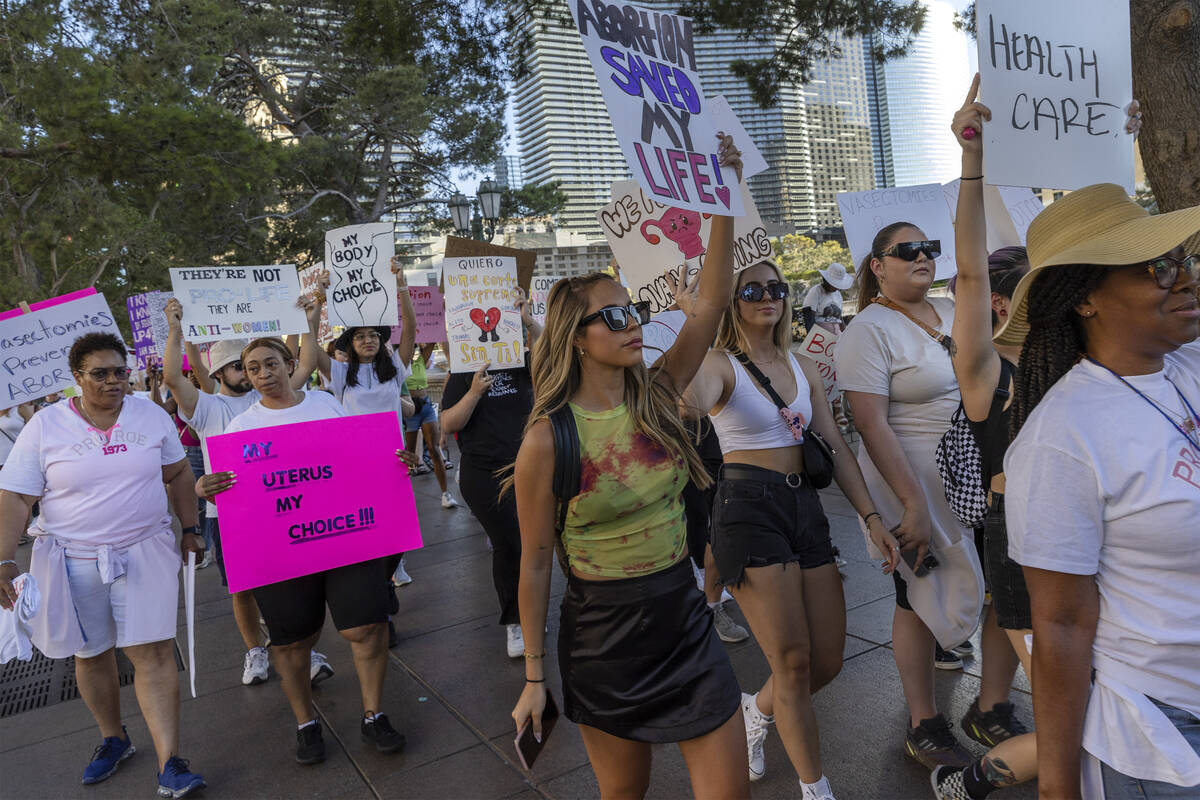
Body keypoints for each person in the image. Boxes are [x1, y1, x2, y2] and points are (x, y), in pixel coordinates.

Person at [511, 134, 750, 800]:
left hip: (682, 615)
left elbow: (710, 301)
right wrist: (534, 677)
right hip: (603, 639)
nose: (632, 322)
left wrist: (722, 194)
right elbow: (534, 562)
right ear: (575, 336)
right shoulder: (545, 440)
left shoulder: (661, 392)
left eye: (635, 309)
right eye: (613, 315)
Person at [997, 183, 1200, 799]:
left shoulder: (1186, 366)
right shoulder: (1062, 437)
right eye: (1158, 267)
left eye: (1185, 260)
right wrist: (1058, 784)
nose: (1185, 277)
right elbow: (1059, 623)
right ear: (1085, 297)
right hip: (1160, 730)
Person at [681, 258, 900, 798]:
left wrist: (872, 517)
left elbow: (835, 447)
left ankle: (755, 711)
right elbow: (684, 399)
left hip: (805, 511)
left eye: (776, 288)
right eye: (751, 289)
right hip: (748, 510)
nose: (766, 297)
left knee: (825, 659)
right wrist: (694, 322)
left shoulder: (802, 366)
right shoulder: (718, 363)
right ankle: (815, 787)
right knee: (794, 663)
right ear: (732, 301)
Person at [0, 333, 206, 797]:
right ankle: (113, 738)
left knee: (152, 652)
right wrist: (4, 558)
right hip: (72, 558)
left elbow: (176, 472)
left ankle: (170, 762)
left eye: (119, 371)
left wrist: (191, 528)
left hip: (145, 549)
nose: (114, 381)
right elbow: (16, 496)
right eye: (100, 373)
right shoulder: (45, 426)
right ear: (77, 378)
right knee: (91, 653)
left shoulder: (149, 414)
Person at [197, 337, 420, 765]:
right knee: (292, 641)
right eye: (252, 368)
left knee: (366, 628)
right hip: (283, 553)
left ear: (290, 364)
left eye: (270, 364)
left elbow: (359, 457)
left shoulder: (325, 404)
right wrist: (200, 487)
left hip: (346, 539)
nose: (263, 374)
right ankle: (306, 723)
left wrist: (397, 462)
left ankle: (375, 714)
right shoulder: (240, 429)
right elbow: (225, 489)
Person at [835, 222, 984, 770]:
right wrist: (912, 504)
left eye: (930, 248)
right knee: (914, 597)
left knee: (981, 585)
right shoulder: (866, 330)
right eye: (908, 251)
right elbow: (870, 425)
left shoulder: (952, 308)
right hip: (911, 483)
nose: (923, 256)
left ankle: (985, 707)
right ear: (878, 266)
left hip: (968, 474)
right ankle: (924, 721)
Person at [162, 296, 330, 688]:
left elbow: (302, 363)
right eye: (243, 366)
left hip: (286, 508)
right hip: (231, 516)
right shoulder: (206, 407)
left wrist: (310, 319)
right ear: (221, 372)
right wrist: (176, 330)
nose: (254, 372)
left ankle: (300, 647)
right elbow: (173, 378)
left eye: (257, 365)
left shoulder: (273, 395)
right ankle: (256, 649)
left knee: (294, 579)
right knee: (244, 587)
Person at [441, 288, 540, 658]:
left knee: (535, 543)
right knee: (509, 544)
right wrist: (474, 393)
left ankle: (531, 610)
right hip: (484, 475)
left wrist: (529, 320)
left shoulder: (521, 361)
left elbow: (555, 356)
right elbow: (449, 422)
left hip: (529, 469)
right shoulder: (464, 371)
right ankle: (515, 623)